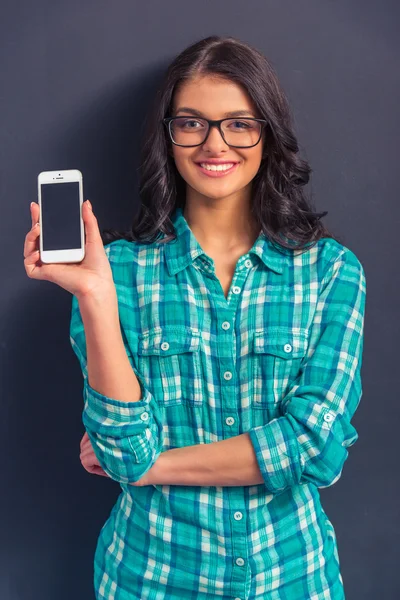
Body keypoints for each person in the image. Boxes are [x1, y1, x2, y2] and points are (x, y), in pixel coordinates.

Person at [24, 35, 366, 600]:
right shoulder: (120, 274)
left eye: (238, 123)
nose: (215, 143)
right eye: (192, 122)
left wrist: (151, 465)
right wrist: (95, 296)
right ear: (168, 134)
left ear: (267, 132)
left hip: (292, 579)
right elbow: (119, 446)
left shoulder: (331, 272)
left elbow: (316, 446)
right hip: (149, 580)